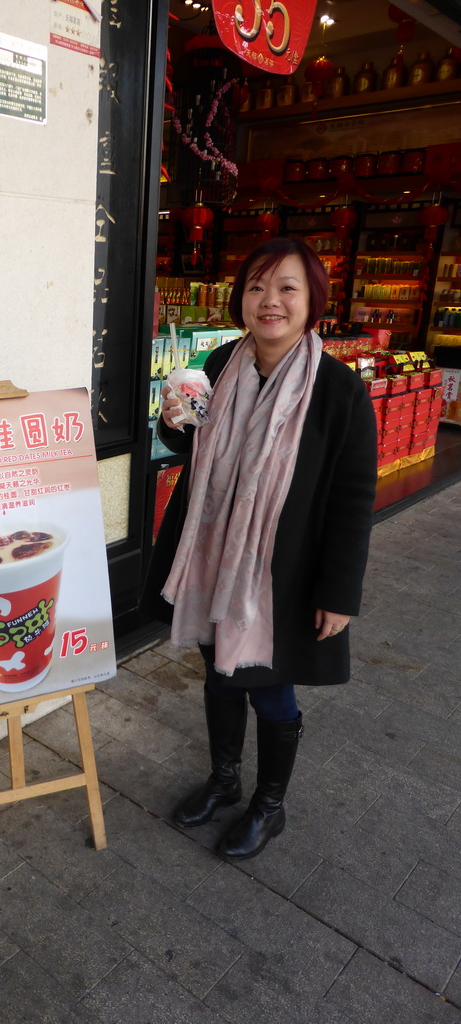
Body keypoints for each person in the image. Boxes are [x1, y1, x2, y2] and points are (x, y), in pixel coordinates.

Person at [140, 237, 377, 860]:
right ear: (240, 298)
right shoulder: (219, 363)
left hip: (284, 573)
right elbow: (194, 451)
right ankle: (224, 780)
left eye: (286, 288)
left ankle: (268, 807)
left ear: (311, 301)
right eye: (256, 287)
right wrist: (173, 422)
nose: (269, 301)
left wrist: (338, 593)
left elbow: (353, 499)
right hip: (214, 555)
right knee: (218, 673)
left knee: (271, 686)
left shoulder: (338, 391)